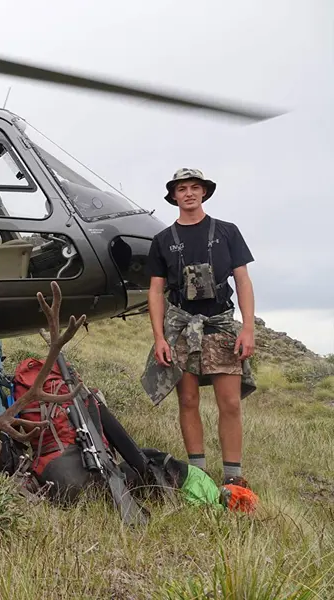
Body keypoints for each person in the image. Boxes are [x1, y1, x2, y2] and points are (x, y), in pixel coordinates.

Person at [141, 168, 257, 488]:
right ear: (174, 196)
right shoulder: (163, 240)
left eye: (195, 187)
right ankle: (199, 475)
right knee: (188, 400)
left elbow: (243, 281)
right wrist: (159, 337)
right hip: (180, 327)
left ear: (204, 192)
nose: (189, 193)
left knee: (230, 402)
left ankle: (233, 477)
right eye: (182, 188)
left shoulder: (228, 232)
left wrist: (247, 328)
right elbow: (155, 290)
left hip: (220, 324)